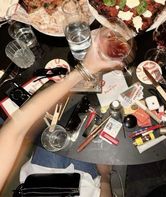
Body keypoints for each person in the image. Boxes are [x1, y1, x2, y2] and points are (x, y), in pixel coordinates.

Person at [0, 40, 123, 195]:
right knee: (98, 120)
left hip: (39, 178)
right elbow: (13, 132)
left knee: (65, 118)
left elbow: (12, 132)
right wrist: (105, 176)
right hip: (85, 185)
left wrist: (82, 72)